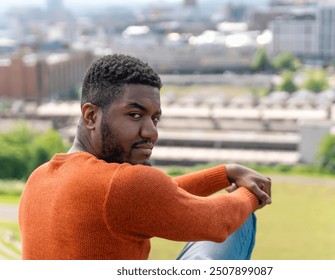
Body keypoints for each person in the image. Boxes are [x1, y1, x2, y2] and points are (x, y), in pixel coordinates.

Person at [18, 54, 272, 260]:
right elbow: (218, 223)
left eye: (155, 118)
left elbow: (158, 196)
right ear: (91, 116)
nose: (152, 132)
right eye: (135, 115)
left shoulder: (38, 179)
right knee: (240, 218)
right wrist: (251, 193)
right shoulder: (122, 186)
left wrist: (224, 173)